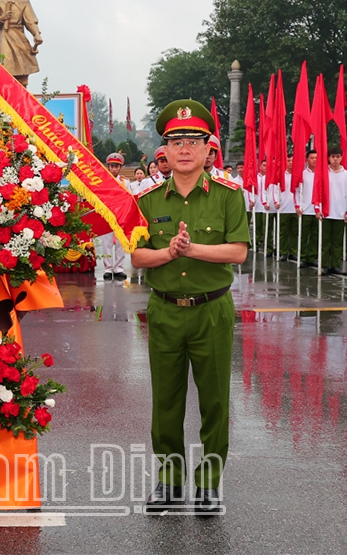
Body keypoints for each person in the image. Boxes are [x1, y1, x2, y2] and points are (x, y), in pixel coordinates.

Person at [133, 100, 249, 514]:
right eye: (176, 141)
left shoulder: (228, 196)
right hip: (164, 310)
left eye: (193, 141)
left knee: (215, 400)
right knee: (166, 400)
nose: (184, 149)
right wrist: (168, 252)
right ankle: (168, 480)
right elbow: (137, 256)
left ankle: (209, 484)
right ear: (163, 150)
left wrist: (191, 248)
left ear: (207, 150)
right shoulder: (146, 201)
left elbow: (237, 252)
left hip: (211, 311)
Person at [316, 148, 347, 275]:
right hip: (326, 212)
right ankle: (324, 264)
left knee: (338, 242)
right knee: (325, 241)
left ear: (342, 158)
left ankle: (336, 265)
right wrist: (318, 209)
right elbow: (318, 192)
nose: (335, 159)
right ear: (328, 158)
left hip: (340, 212)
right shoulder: (323, 173)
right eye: (332, 156)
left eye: (338, 156)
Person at [99, 153, 128, 281]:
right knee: (106, 243)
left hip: (121, 215)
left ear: (120, 167)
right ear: (108, 166)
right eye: (112, 166)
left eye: (117, 166)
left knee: (121, 243)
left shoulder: (125, 181)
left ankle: (118, 268)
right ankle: (108, 268)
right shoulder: (102, 181)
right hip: (107, 215)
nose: (115, 169)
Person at [296, 150, 318, 267]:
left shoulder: (322, 173)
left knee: (315, 235)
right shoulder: (302, 174)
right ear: (307, 160)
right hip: (305, 209)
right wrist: (298, 206)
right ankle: (303, 257)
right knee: (304, 235)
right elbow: (296, 191)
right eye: (312, 158)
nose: (314, 160)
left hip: (318, 210)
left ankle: (312, 257)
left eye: (316, 158)